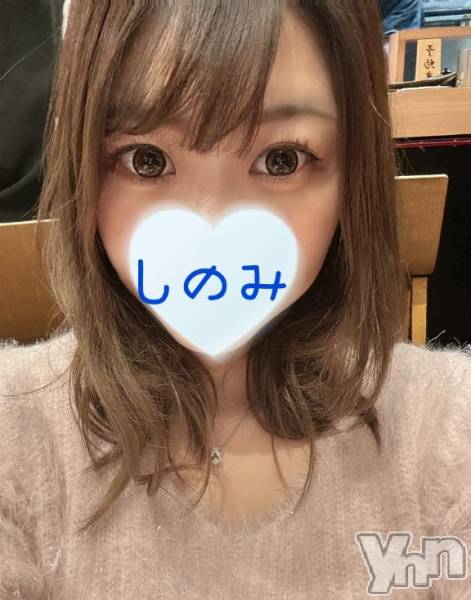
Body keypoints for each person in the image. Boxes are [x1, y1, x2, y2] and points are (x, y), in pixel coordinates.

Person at [1, 1, 470, 598]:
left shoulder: (446, 429)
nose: (213, 223)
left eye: (281, 159)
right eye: (148, 159)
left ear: (352, 174)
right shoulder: (15, 433)